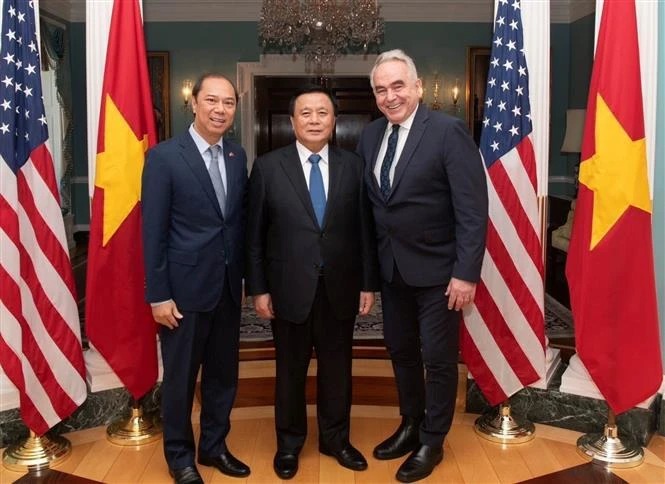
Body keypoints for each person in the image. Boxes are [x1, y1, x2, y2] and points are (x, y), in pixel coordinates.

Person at [356, 50, 488, 483]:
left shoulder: (448, 132)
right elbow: (373, 211)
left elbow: (471, 209)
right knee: (401, 351)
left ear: (417, 87)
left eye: (397, 86)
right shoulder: (370, 136)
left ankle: (433, 439)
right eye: (381, 89)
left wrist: (466, 273)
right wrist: (369, 276)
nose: (389, 96)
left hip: (440, 275)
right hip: (393, 272)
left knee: (437, 358)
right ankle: (410, 422)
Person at [246, 85, 379, 480]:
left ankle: (336, 440)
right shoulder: (268, 167)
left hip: (341, 288)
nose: (315, 119)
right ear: (293, 121)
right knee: (290, 372)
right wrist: (258, 288)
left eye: (323, 112)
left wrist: (368, 284)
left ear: (334, 121)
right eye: (306, 113)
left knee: (338, 370)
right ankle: (289, 445)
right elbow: (253, 235)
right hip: (287, 290)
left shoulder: (354, 166)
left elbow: (365, 232)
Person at [142, 73, 250, 484]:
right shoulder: (165, 157)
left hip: (225, 289)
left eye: (228, 103)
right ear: (193, 102)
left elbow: (235, 225)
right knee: (181, 379)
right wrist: (158, 294)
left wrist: (243, 281)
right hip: (181, 294)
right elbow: (153, 231)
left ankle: (214, 446)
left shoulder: (237, 157)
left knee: (224, 375)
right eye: (212, 101)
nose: (220, 110)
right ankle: (180, 456)